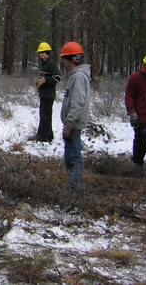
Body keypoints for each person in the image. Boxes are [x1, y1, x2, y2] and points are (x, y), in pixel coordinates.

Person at [59, 41, 91, 190]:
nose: (63, 62)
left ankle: (76, 188)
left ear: (73, 59)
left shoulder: (78, 77)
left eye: (65, 59)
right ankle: (74, 185)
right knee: (72, 154)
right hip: (73, 122)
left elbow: (77, 102)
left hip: (74, 123)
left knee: (73, 156)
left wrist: (70, 123)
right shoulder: (76, 76)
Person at [124, 53, 146, 173]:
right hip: (141, 117)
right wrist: (132, 113)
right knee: (140, 141)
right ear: (145, 65)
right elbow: (129, 96)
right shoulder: (135, 78)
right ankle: (137, 165)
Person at [34, 42, 61, 142]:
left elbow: (57, 78)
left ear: (47, 53)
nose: (41, 54)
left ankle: (43, 137)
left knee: (45, 116)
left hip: (49, 95)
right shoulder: (44, 63)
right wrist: (40, 83)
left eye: (43, 52)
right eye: (40, 52)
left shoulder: (51, 63)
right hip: (44, 94)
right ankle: (48, 135)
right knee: (44, 115)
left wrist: (45, 80)